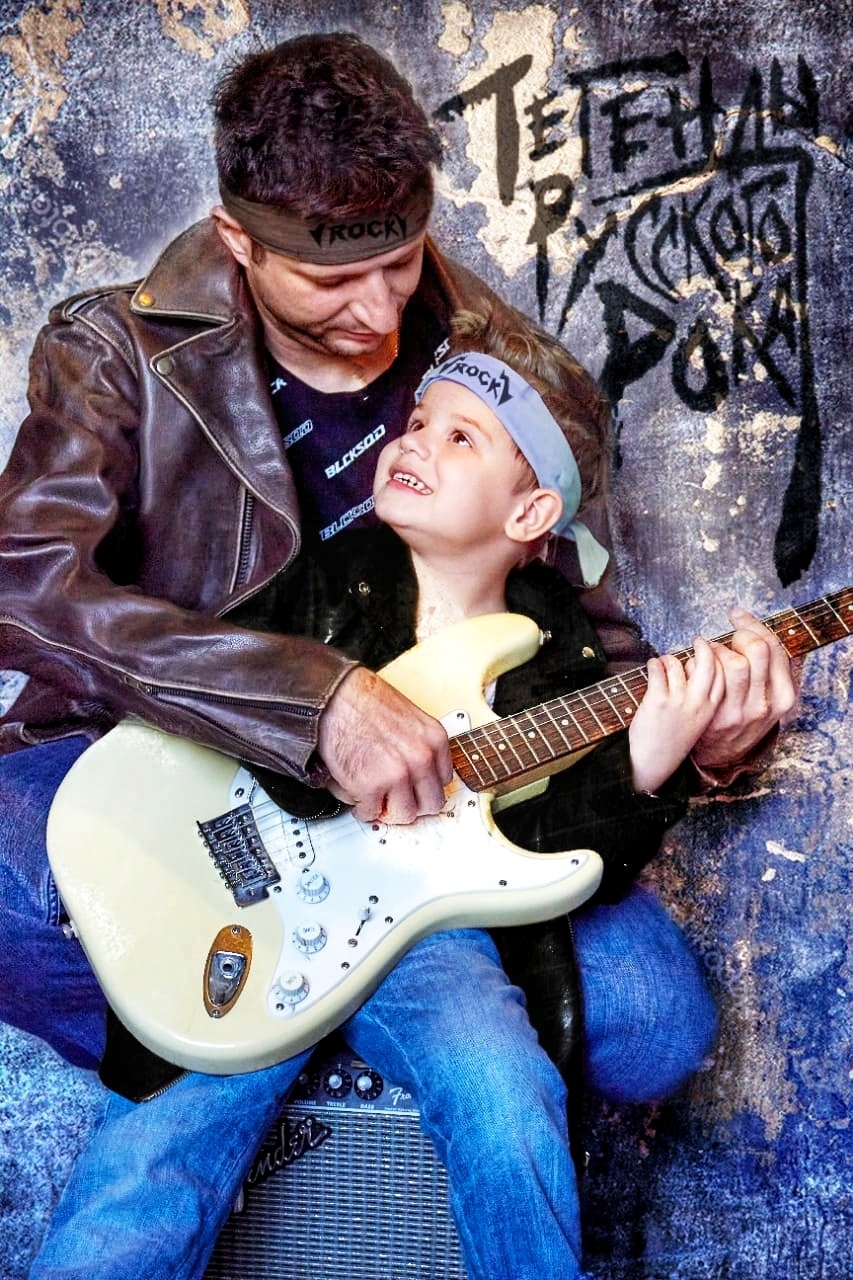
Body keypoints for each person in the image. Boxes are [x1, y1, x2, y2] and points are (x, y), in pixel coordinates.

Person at [0, 32, 796, 1280]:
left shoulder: (488, 348)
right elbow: (26, 585)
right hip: (166, 760)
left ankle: (292, 986)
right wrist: (316, 703)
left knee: (655, 1016)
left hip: (435, 811)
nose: (379, 318)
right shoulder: (115, 350)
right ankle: (283, 985)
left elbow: (582, 641)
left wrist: (697, 747)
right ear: (240, 238)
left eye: (399, 262)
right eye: (333, 279)